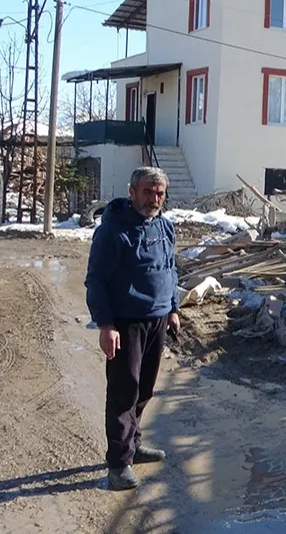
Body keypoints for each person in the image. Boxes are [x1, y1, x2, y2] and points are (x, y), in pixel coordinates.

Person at [84, 166, 180, 491]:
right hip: (126, 322)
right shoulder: (113, 231)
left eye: (159, 193)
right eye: (148, 192)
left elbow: (170, 269)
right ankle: (118, 464)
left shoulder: (165, 227)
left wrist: (173, 308)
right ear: (132, 191)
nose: (154, 198)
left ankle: (133, 445)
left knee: (146, 388)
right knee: (124, 391)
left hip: (157, 319)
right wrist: (106, 325)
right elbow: (96, 280)